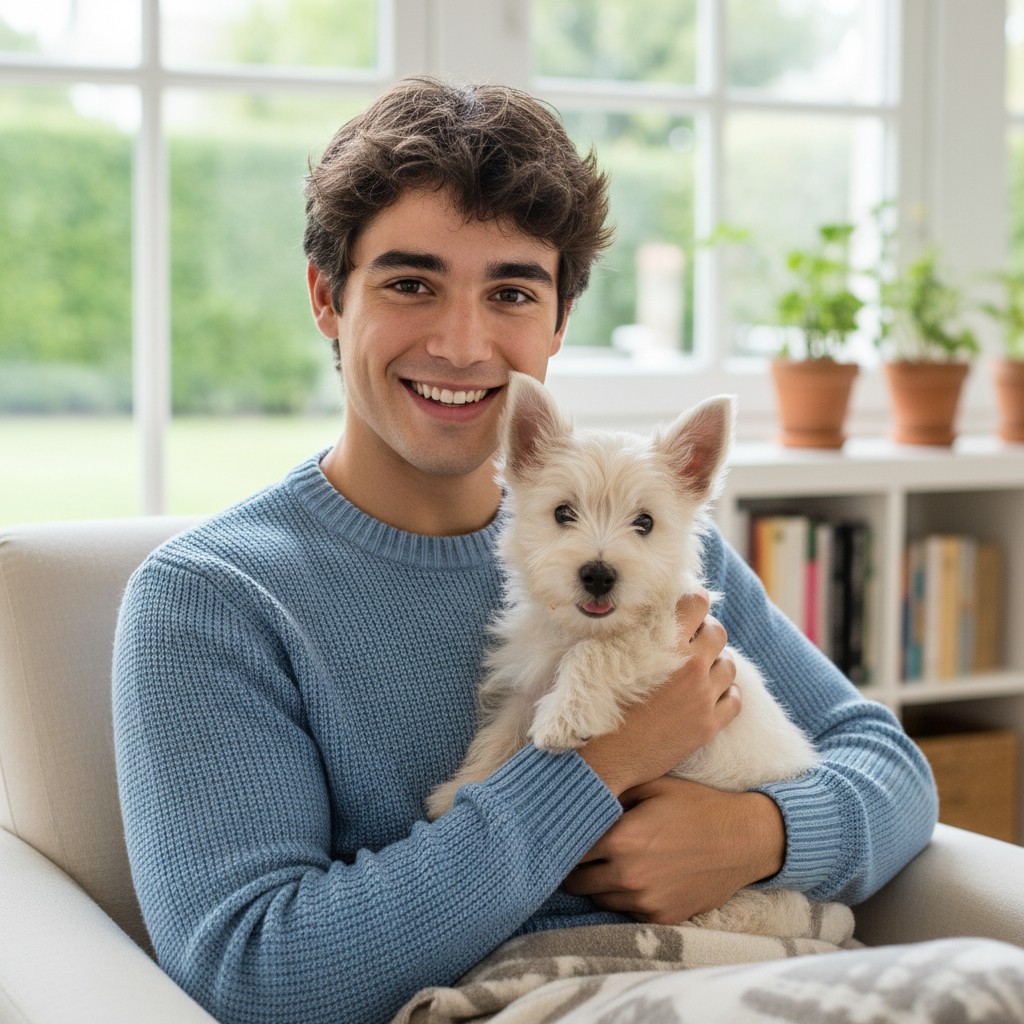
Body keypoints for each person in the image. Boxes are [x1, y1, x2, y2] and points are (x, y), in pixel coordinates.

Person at [113, 77, 939, 1024]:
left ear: (558, 322)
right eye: (411, 283)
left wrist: (759, 833)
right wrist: (594, 771)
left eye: (510, 291)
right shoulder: (210, 601)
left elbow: (888, 766)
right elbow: (255, 971)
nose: (464, 345)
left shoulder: (652, 551)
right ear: (327, 299)